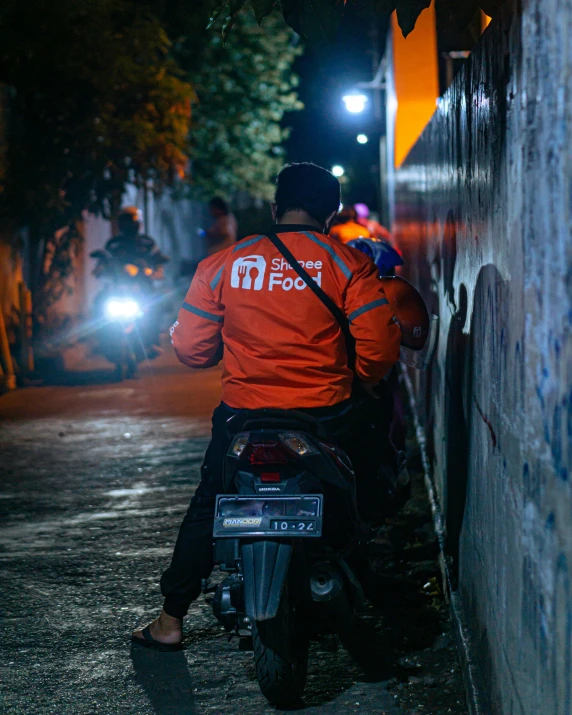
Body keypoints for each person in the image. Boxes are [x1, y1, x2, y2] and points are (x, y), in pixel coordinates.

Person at [131, 162, 401, 650]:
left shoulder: (223, 264)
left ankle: (171, 620)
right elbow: (379, 352)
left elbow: (192, 350)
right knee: (365, 479)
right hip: (324, 415)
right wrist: (358, 380)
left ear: (276, 208)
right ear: (331, 211)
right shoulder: (348, 264)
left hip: (243, 416)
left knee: (210, 501)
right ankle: (365, 579)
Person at [105, 207, 168, 273]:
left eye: (132, 222)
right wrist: (101, 267)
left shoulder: (147, 242)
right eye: (126, 221)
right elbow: (106, 258)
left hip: (144, 279)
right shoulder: (114, 243)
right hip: (120, 279)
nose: (129, 224)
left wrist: (158, 270)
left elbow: (157, 255)